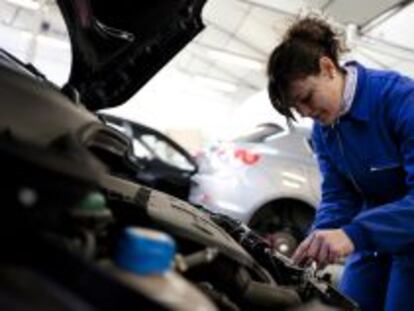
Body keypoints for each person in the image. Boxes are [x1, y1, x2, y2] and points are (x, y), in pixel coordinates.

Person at [266, 16, 414, 311]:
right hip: (372, 233)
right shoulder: (324, 130)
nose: (307, 113)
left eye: (306, 98)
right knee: (347, 304)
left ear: (328, 68)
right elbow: (338, 194)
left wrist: (354, 234)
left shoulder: (400, 99)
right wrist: (318, 238)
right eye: (297, 109)